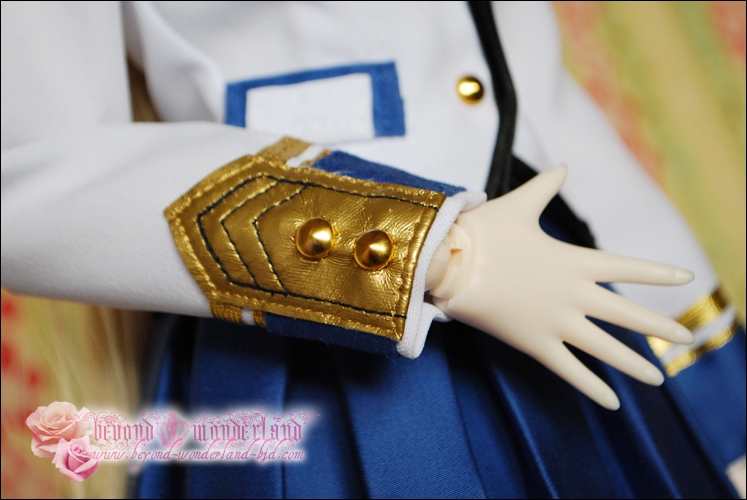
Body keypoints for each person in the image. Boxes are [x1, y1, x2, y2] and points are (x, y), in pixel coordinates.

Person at [2, 2, 743, 497]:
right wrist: (426, 249)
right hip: (318, 333)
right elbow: (29, 174)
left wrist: (711, 381)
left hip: (556, 289)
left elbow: (523, 89)